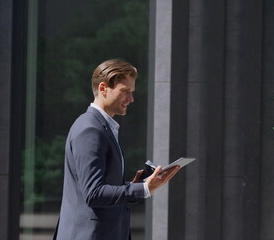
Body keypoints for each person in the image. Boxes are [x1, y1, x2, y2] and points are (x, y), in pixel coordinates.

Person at [55, 59, 180, 240]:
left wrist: (133, 186)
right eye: (125, 92)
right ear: (103, 88)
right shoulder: (90, 129)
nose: (131, 99)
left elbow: (99, 187)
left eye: (131, 92)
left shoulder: (102, 127)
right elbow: (93, 194)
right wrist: (144, 188)